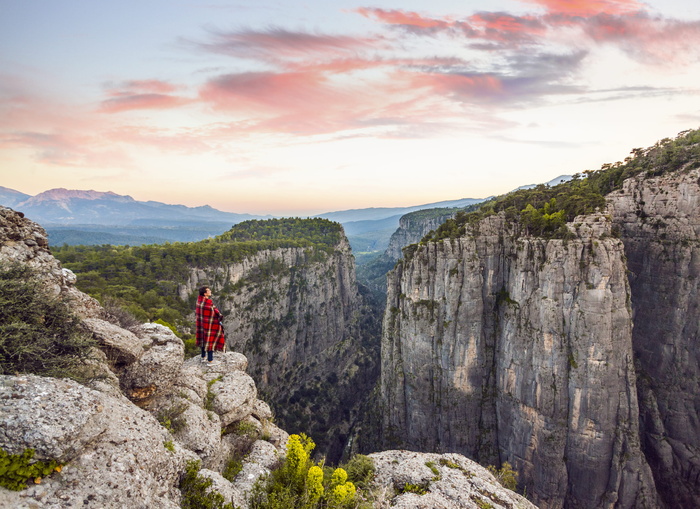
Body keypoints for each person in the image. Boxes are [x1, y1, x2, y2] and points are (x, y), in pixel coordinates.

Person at [195, 285, 226, 366]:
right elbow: (215, 313)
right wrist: (219, 317)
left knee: (203, 339)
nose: (210, 291)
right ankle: (210, 360)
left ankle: (203, 357)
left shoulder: (199, 301)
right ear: (205, 293)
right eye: (208, 290)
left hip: (201, 324)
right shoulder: (208, 302)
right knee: (210, 340)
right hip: (209, 325)